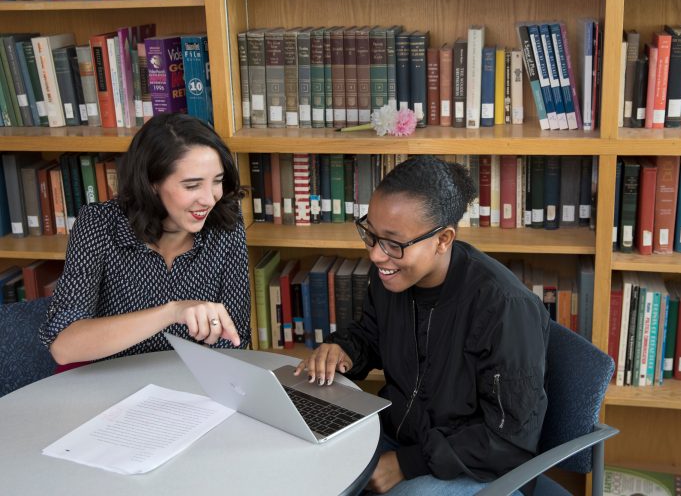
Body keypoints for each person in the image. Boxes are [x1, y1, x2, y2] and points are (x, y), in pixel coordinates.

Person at [295, 156, 550, 495]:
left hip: (480, 470)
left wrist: (406, 463)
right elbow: (373, 334)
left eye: (393, 243)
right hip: (402, 438)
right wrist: (343, 349)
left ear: (443, 239)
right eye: (370, 234)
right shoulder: (392, 276)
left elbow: (508, 439)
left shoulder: (505, 309)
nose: (375, 255)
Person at [40, 113, 251, 365]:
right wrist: (172, 312)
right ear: (152, 182)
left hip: (192, 386)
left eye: (217, 181)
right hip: (111, 385)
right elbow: (64, 345)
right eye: (192, 186)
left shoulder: (225, 219)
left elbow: (235, 338)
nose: (209, 199)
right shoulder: (99, 224)